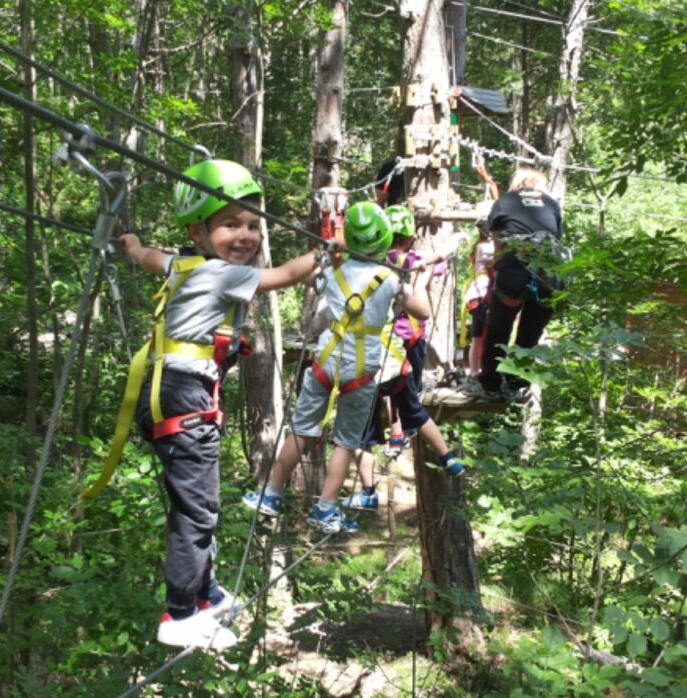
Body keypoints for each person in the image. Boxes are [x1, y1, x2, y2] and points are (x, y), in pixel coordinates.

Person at [115, 160, 319, 650]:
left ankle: (205, 594)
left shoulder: (185, 263)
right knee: (198, 510)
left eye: (252, 225)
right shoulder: (225, 274)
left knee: (195, 503)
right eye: (231, 224)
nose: (245, 235)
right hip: (184, 396)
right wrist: (328, 253)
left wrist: (132, 247)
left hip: (162, 392)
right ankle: (181, 614)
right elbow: (286, 274)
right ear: (199, 232)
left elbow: (151, 258)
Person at [243, 201, 428, 534]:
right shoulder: (390, 279)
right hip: (362, 369)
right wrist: (417, 281)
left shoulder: (331, 273)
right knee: (345, 442)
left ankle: (269, 494)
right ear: (384, 240)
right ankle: (325, 508)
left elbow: (300, 276)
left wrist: (330, 252)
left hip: (325, 361)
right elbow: (422, 311)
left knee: (301, 430)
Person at [346, 206, 464, 511]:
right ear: (411, 236)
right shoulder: (408, 261)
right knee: (412, 403)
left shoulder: (373, 264)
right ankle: (446, 456)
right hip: (404, 346)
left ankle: (369, 489)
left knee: (363, 430)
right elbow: (429, 269)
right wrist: (445, 254)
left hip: (373, 353)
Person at [476, 165, 564, 404]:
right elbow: (556, 237)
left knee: (499, 330)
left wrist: (497, 271)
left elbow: (498, 245)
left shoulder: (505, 202)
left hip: (514, 270)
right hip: (549, 274)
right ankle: (517, 383)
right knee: (530, 334)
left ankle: (491, 384)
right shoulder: (552, 204)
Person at [460, 218, 495, 378]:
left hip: (482, 293)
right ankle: (476, 370)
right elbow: (495, 260)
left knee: (480, 336)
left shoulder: (482, 245)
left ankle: (477, 369)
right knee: (480, 336)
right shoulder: (485, 247)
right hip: (481, 294)